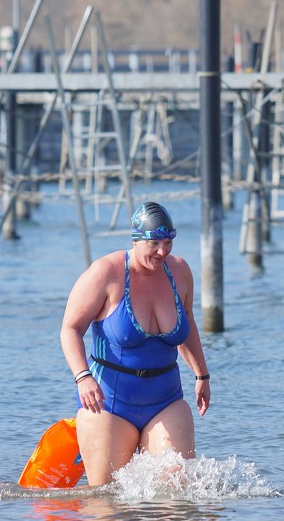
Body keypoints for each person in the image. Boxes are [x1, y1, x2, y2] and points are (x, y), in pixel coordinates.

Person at [60, 202, 211, 486]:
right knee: (108, 506)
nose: (163, 251)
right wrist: (82, 377)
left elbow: (187, 324)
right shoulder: (106, 273)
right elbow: (70, 328)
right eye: (155, 243)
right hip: (109, 404)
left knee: (176, 499)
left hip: (167, 400)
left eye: (168, 242)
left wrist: (201, 374)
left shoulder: (179, 272)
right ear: (136, 239)